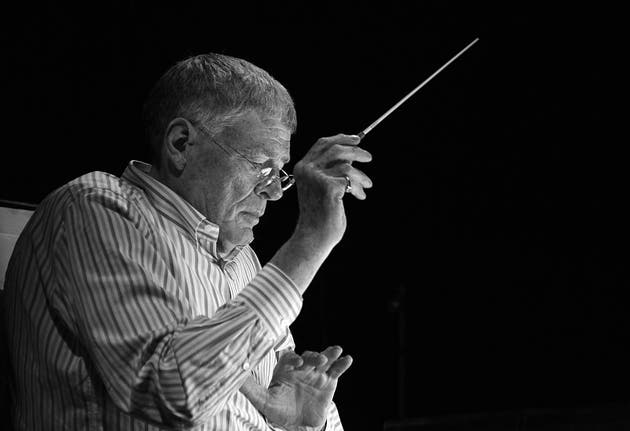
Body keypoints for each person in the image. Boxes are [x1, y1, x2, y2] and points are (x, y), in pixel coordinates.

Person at [2, 53, 373, 430]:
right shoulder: (96, 208)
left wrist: (302, 423)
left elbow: (286, 408)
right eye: (262, 166)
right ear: (181, 144)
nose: (276, 192)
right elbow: (172, 396)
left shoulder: (244, 261)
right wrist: (308, 243)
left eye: (280, 174)